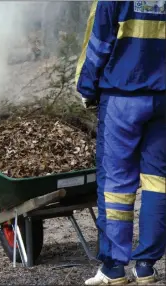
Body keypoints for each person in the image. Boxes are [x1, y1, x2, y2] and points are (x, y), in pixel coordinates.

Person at [75, 0, 165, 285]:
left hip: (123, 97)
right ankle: (146, 266)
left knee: (116, 183)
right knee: (158, 181)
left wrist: (87, 88)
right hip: (163, 99)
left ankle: (114, 269)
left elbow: (99, 42)